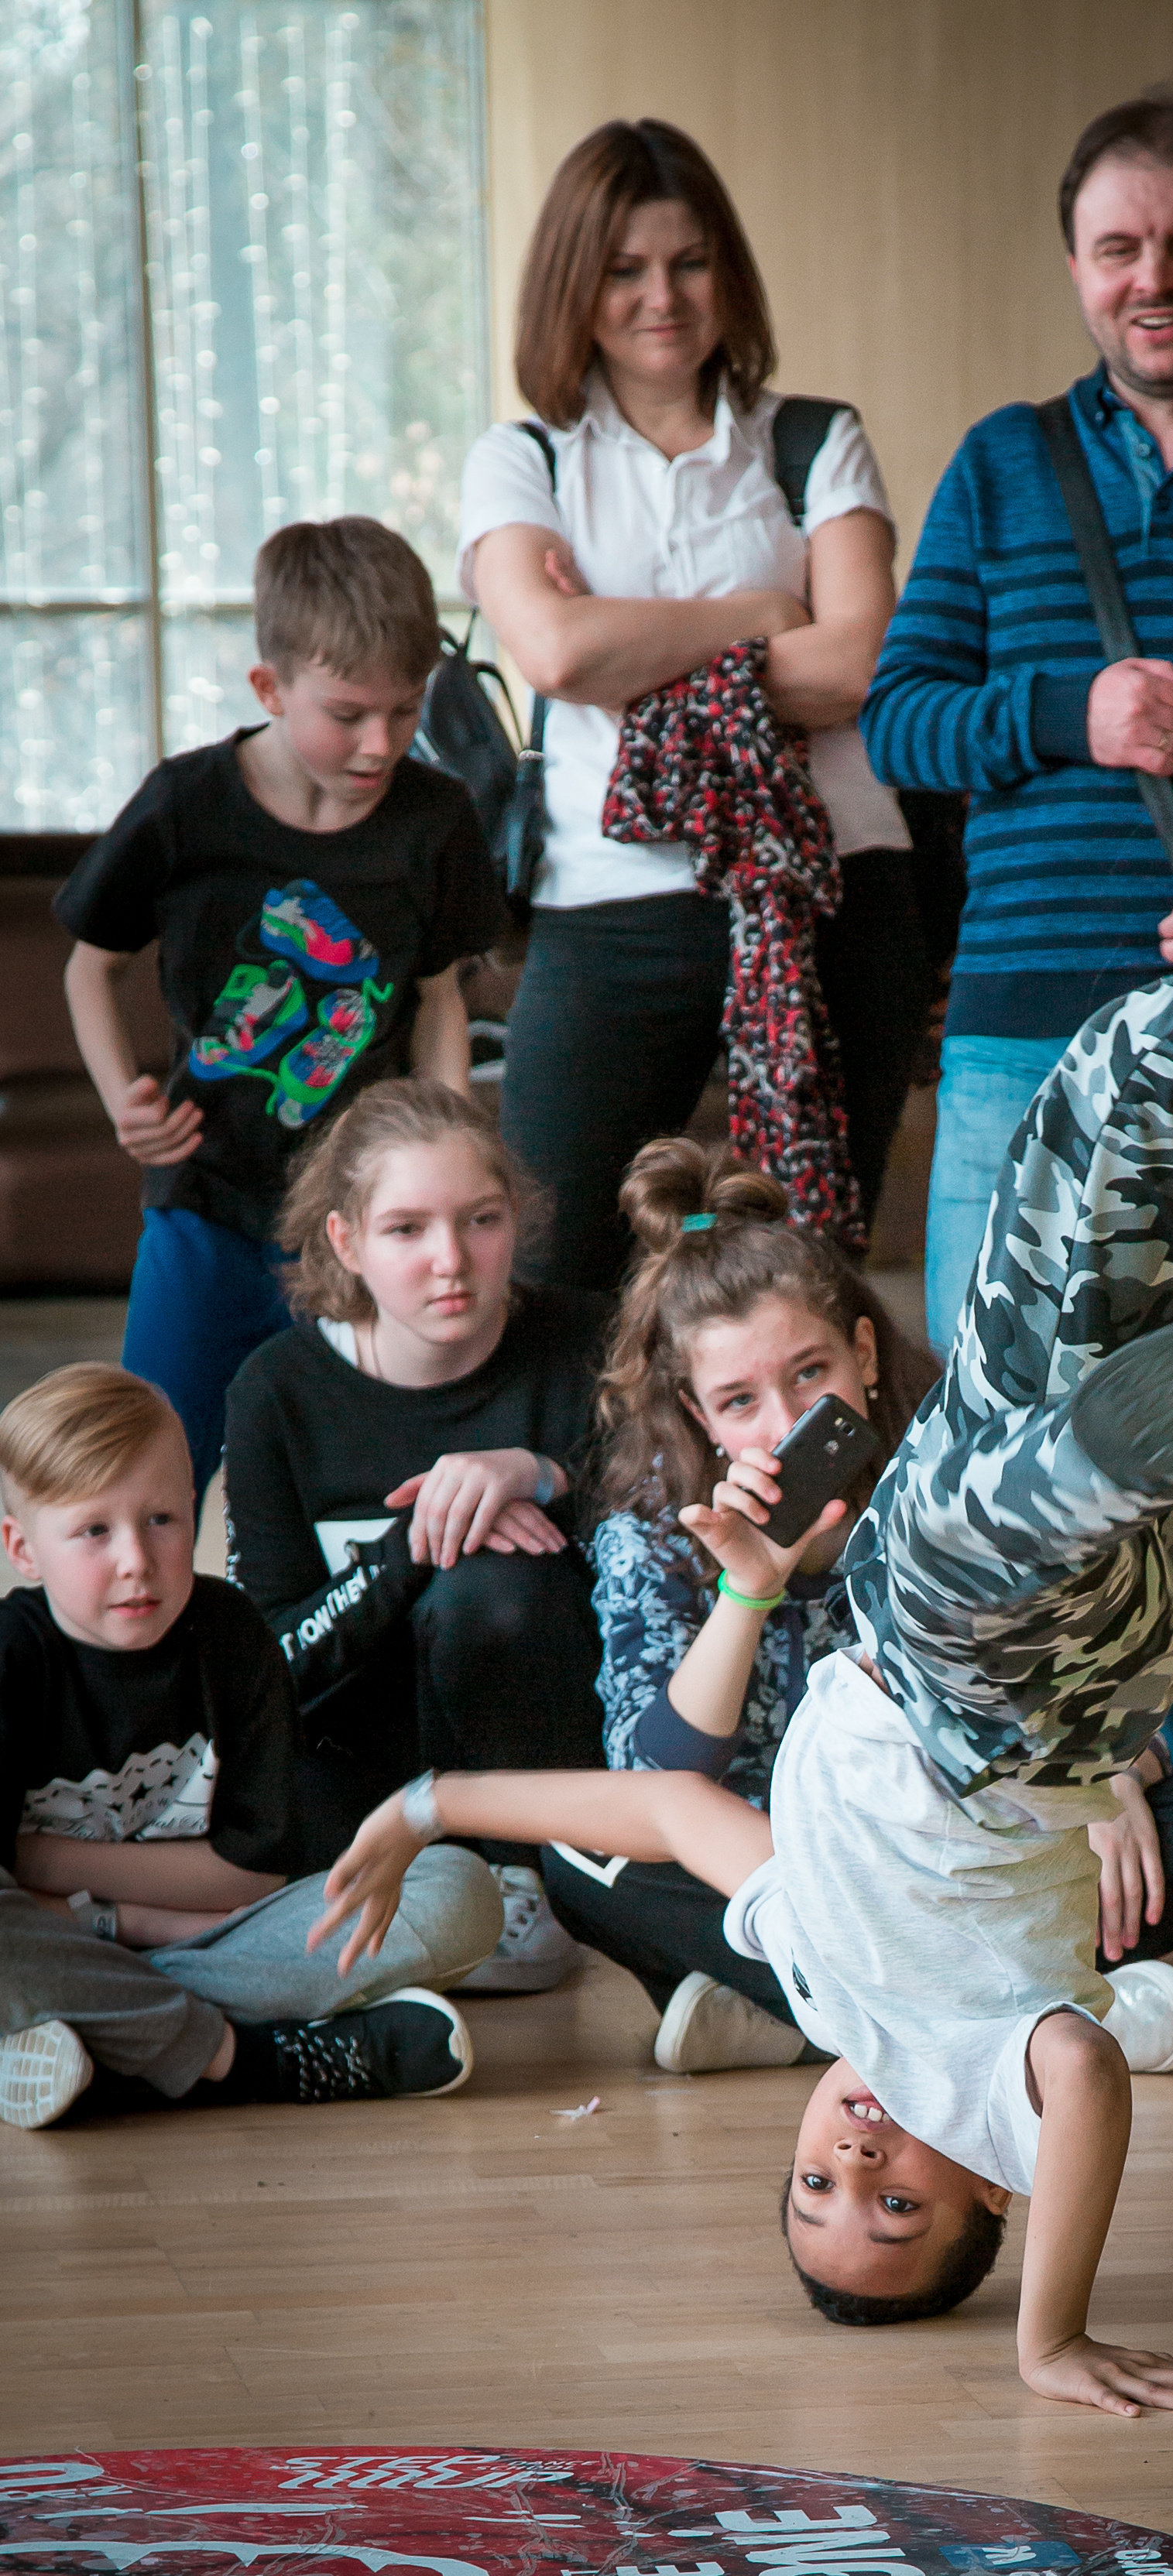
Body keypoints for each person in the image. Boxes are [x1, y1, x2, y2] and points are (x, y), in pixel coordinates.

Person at [308, 523, 1173, 2385]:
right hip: (1005, 1674)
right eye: (901, 2206)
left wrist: (420, 1808)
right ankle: (1124, 1444)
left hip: (992, 1555)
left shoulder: (804, 1951)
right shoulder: (996, 2065)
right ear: (985, 2185)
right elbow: (1092, 2077)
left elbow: (646, 1811)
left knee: (1124, 1076)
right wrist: (1052, 2333)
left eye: (817, 2187)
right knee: (946, 1544)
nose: (859, 2157)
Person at [859, 89, 1173, 1770]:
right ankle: (1005, 1806)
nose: (1154, 278)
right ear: (1075, 265)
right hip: (1012, 1027)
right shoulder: (1004, 464)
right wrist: (1064, 713)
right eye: (1118, 246)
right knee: (991, 1435)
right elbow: (900, 719)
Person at [563, 1135, 1173, 2073]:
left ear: (863, 1351)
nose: (783, 1426)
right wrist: (749, 1588)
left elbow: (1077, 1666)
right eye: (738, 1401)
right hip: (784, 1883)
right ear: (698, 1414)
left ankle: (807, 2022)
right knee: (579, 1858)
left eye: (809, 1373)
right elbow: (653, 1780)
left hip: (962, 1861)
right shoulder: (656, 1528)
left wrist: (1111, 1777)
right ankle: (1036, 2016)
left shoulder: (953, 1481)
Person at [459, 117, 929, 1293]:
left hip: (826, 888)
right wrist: (764, 614)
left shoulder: (816, 441)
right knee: (556, 1259)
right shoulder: (525, 462)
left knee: (805, 1262)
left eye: (686, 261)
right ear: (575, 281)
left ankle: (810, 1484)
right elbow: (558, 653)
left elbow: (858, 662)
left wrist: (642, 646)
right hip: (611, 903)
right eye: (622, 268)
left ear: (728, 270)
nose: (659, 296)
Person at [54, 517, 506, 1509]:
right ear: (269, 688)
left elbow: (437, 999)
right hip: (204, 1203)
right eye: (347, 714)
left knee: (368, 1484)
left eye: (406, 709)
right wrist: (123, 1098)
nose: (380, 743)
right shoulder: (186, 807)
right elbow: (91, 967)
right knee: (146, 1465)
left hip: (363, 1218)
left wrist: (449, 1150)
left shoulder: (435, 819)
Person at [0, 1365, 500, 2133]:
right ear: (21, 1547)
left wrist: (64, 1879)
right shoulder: (13, 1658)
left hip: (185, 1939)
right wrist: (124, 1921)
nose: (136, 1558)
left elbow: (247, 1871)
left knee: (456, 1888)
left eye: (163, 1518)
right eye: (94, 1531)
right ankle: (245, 2061)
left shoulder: (231, 1636)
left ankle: (97, 2049)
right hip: (79, 1940)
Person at [223, 1080, 608, 1990]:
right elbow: (270, 1664)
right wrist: (409, 1545)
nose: (451, 1261)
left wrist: (546, 1475)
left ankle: (527, 1880)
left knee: (496, 1587)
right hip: (358, 1762)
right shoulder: (276, 1391)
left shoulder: (589, 1346)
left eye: (481, 1220)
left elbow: (679, 1544)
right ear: (345, 1242)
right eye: (406, 1230)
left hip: (547, 1766)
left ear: (518, 1218)